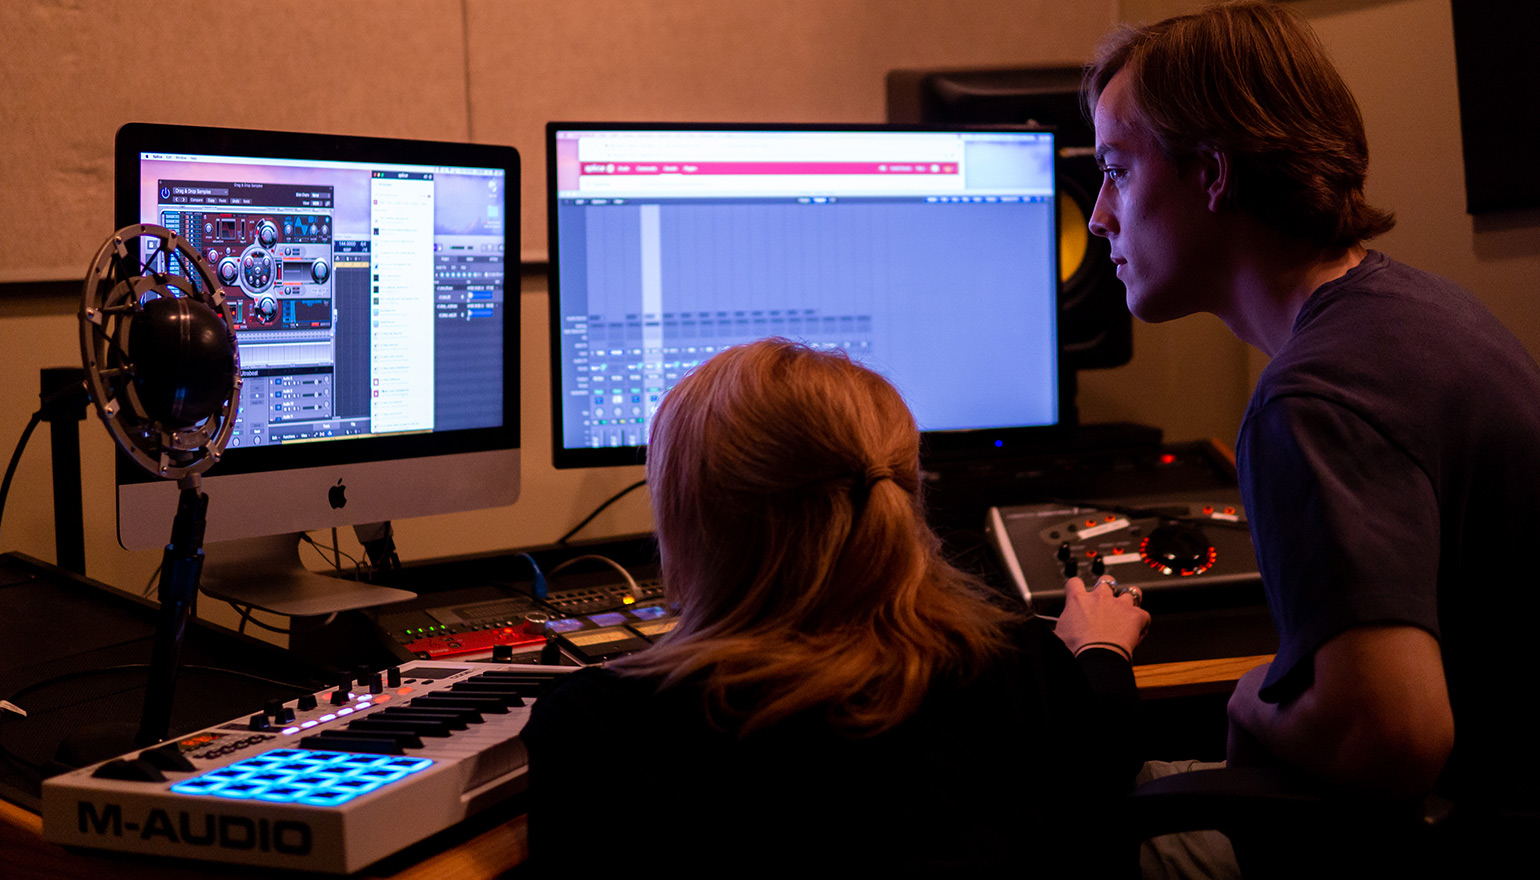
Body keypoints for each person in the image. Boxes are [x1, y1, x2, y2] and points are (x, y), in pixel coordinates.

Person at [1084, 0, 1540, 821]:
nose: (1098, 215)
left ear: (1213, 174)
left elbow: (1394, 736)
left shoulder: (1311, 401)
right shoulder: (1419, 307)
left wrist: (1252, 699)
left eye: (1116, 170)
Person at [520, 338, 1150, 873]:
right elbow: (1100, 784)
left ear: (694, 521)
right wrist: (1097, 654)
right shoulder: (1011, 664)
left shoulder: (593, 730)